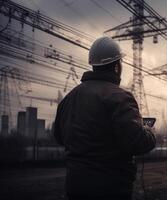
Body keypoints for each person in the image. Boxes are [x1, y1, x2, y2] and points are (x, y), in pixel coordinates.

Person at [54, 37, 156, 200]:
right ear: (117, 66)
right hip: (110, 188)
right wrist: (149, 132)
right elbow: (138, 143)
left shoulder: (69, 98)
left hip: (75, 186)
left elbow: (59, 137)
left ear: (93, 65)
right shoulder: (120, 98)